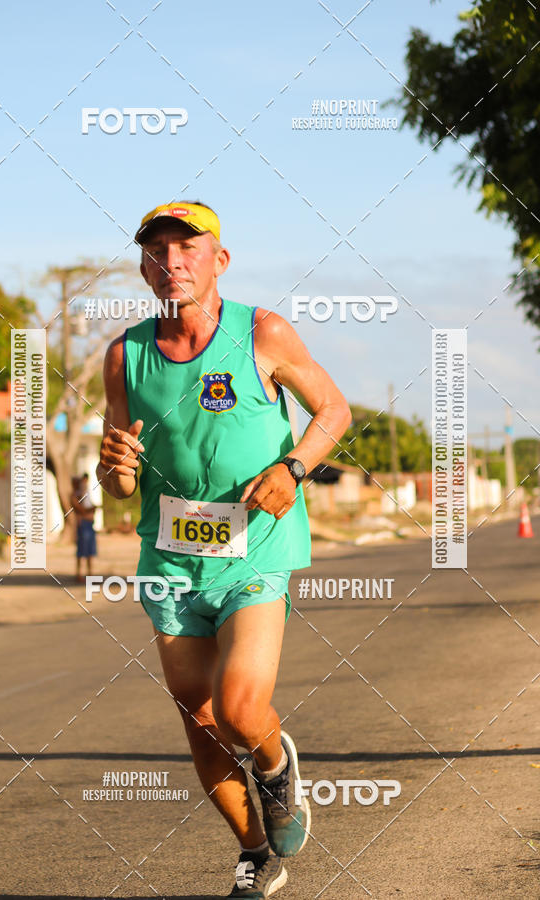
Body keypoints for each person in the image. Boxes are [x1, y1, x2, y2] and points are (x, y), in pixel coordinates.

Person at [97, 201, 351, 898]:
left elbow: (334, 411)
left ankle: (275, 769)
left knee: (240, 709)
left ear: (220, 260)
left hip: (255, 549)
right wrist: (113, 470)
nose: (171, 261)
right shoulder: (125, 355)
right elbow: (120, 476)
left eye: (187, 247)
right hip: (172, 557)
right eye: (157, 252)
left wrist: (294, 467)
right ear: (144, 268)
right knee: (199, 715)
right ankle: (256, 853)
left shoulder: (262, 332)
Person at [70, 473, 97, 583]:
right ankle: (79, 574)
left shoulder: (86, 494)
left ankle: (90, 574)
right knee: (82, 550)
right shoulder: (76, 495)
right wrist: (91, 510)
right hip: (83, 524)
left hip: (89, 524)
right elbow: (79, 509)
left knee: (90, 551)